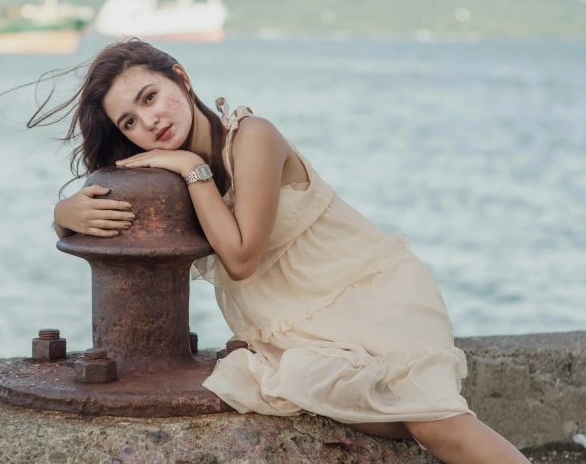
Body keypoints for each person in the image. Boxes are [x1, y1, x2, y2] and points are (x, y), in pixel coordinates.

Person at [42, 38, 529, 464]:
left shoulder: (253, 137)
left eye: (151, 97)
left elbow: (241, 257)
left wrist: (191, 165)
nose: (149, 121)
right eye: (129, 121)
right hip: (298, 335)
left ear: (181, 79)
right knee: (400, 417)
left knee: (431, 419)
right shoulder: (171, 174)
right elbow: (122, 218)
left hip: (371, 296)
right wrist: (64, 213)